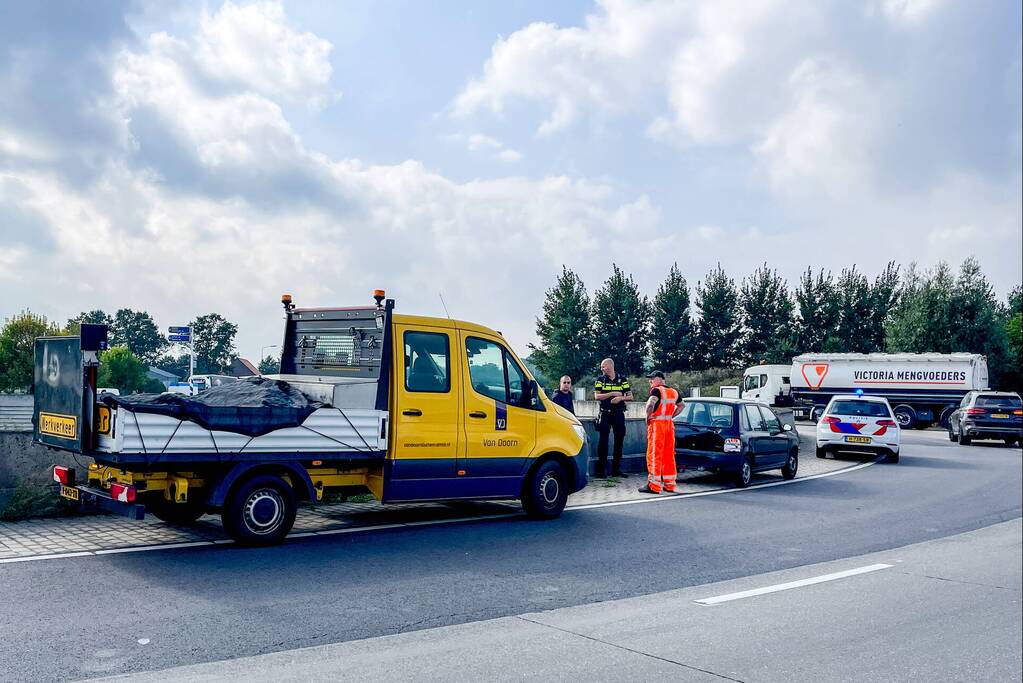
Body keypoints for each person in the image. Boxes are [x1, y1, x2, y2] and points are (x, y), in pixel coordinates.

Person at [638, 371, 681, 494]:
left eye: (652, 378)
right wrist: (671, 416)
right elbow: (681, 405)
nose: (650, 381)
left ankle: (654, 485)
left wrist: (648, 417)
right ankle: (670, 484)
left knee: (654, 454)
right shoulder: (674, 392)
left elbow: (650, 404)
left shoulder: (657, 390)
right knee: (669, 455)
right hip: (669, 426)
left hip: (657, 426)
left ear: (660, 379)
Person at [594, 358, 631, 478]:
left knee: (619, 440)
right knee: (603, 441)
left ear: (610, 366)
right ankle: (601, 471)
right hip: (605, 413)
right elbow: (597, 396)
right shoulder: (600, 380)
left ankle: (616, 470)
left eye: (603, 366)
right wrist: (612, 393)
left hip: (618, 413)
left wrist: (620, 398)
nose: (602, 369)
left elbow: (630, 396)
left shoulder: (622, 379)